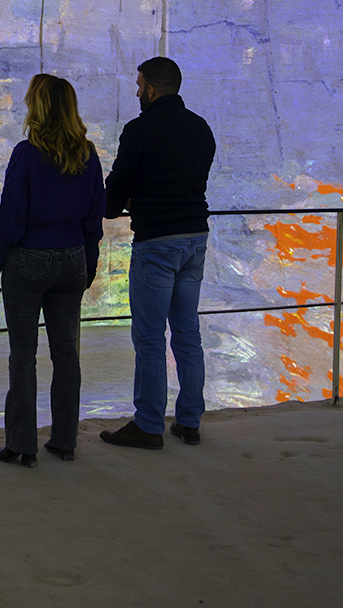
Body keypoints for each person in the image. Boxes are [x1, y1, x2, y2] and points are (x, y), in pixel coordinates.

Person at [0, 74, 105, 468]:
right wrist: (89, 262)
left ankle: (22, 446)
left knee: (24, 355)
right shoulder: (87, 153)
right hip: (72, 259)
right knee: (67, 353)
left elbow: (11, 216)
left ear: (39, 106)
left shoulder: (27, 153)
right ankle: (65, 440)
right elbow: (94, 216)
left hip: (30, 259)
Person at [100, 56, 217, 449]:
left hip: (156, 243)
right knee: (187, 333)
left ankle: (149, 424)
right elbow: (191, 183)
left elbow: (114, 195)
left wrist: (127, 200)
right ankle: (189, 421)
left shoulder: (140, 130)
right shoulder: (201, 128)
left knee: (150, 337)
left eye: (138, 85)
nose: (136, 92)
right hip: (195, 239)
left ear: (151, 88)